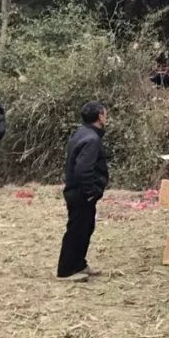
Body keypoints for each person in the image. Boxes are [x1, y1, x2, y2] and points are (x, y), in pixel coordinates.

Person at [57, 101, 109, 281]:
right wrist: (91, 192)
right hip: (81, 194)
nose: (106, 117)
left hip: (77, 192)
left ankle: (79, 264)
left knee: (85, 228)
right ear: (99, 117)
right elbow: (83, 170)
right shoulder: (92, 139)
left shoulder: (82, 133)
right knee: (76, 231)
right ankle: (66, 271)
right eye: (105, 114)